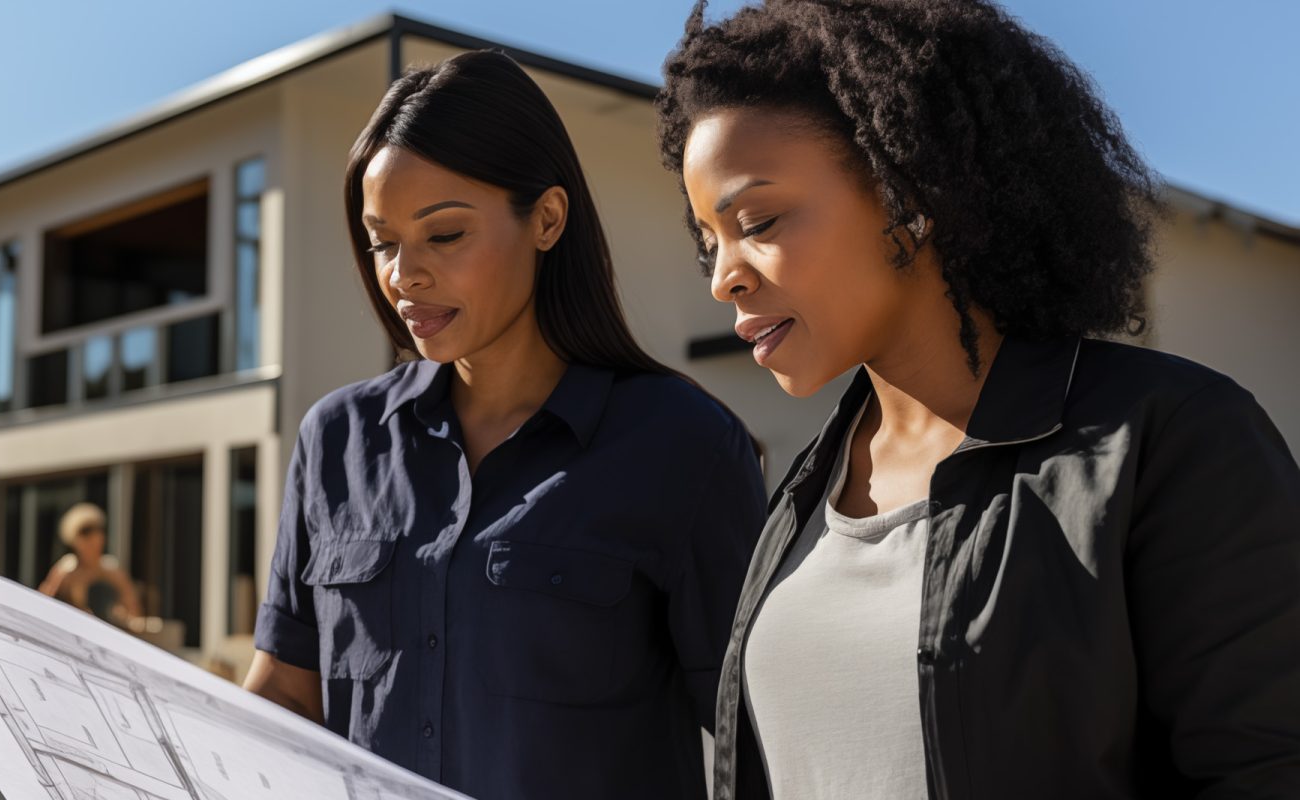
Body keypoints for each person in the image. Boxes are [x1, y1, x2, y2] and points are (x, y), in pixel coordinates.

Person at [656, 2, 1300, 798]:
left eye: (756, 220)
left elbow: (1265, 768)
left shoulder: (1169, 442)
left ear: (908, 190)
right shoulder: (801, 497)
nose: (724, 275)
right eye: (707, 240)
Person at [243, 49, 767, 799]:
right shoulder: (335, 441)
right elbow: (286, 698)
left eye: (444, 234)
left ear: (547, 218)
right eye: (382, 241)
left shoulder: (684, 446)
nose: (402, 275)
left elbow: (760, 743)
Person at [38, 502, 142, 626]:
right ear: (74, 540)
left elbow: (133, 609)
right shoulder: (67, 569)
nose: (93, 547)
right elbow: (43, 602)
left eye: (96, 540)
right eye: (87, 539)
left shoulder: (111, 570)